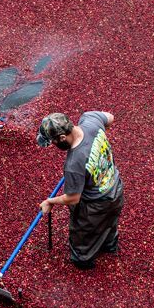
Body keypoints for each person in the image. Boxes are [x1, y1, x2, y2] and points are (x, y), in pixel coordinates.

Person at [37, 111, 124, 269]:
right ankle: (109, 247)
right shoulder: (90, 119)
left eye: (53, 142)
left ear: (62, 138)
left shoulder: (73, 164)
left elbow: (73, 198)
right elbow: (110, 117)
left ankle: (84, 260)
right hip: (115, 188)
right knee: (110, 223)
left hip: (96, 205)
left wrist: (50, 201)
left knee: (82, 246)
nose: (54, 146)